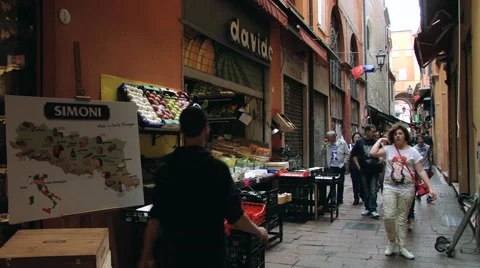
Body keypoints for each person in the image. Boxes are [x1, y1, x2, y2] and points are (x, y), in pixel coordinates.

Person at [137, 107, 268, 268]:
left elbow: (155, 218)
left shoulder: (165, 168)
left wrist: (146, 255)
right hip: (209, 256)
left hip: (172, 256)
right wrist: (258, 231)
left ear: (181, 130)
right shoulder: (217, 169)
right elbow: (236, 217)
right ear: (206, 128)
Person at [369, 124, 437, 260]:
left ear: (405, 136)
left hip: (407, 189)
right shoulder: (388, 149)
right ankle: (391, 242)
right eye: (395, 134)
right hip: (390, 187)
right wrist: (381, 140)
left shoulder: (413, 152)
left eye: (400, 133)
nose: (397, 136)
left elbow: (421, 170)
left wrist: (430, 187)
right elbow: (373, 153)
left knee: (402, 218)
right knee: (388, 216)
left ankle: (402, 246)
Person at [351, 124, 383, 219]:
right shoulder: (360, 142)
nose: (375, 133)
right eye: (373, 132)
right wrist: (358, 167)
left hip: (374, 169)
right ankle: (367, 207)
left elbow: (381, 153)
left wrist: (380, 160)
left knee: (373, 189)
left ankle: (373, 209)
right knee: (365, 189)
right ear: (367, 132)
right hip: (364, 170)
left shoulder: (377, 142)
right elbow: (354, 155)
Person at [323, 131, 350, 205]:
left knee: (340, 183)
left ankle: (340, 199)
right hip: (331, 166)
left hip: (340, 166)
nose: (327, 139)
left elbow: (347, 153)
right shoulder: (327, 145)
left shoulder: (342, 143)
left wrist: (344, 162)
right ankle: (333, 199)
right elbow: (322, 154)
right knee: (332, 184)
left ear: (334, 137)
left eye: (329, 138)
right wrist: (324, 146)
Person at [348, 132, 363, 205]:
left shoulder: (363, 145)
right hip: (353, 167)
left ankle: (362, 195)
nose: (357, 139)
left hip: (362, 166)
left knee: (362, 182)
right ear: (353, 139)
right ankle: (356, 198)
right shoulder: (350, 146)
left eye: (358, 137)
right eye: (355, 137)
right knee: (355, 183)